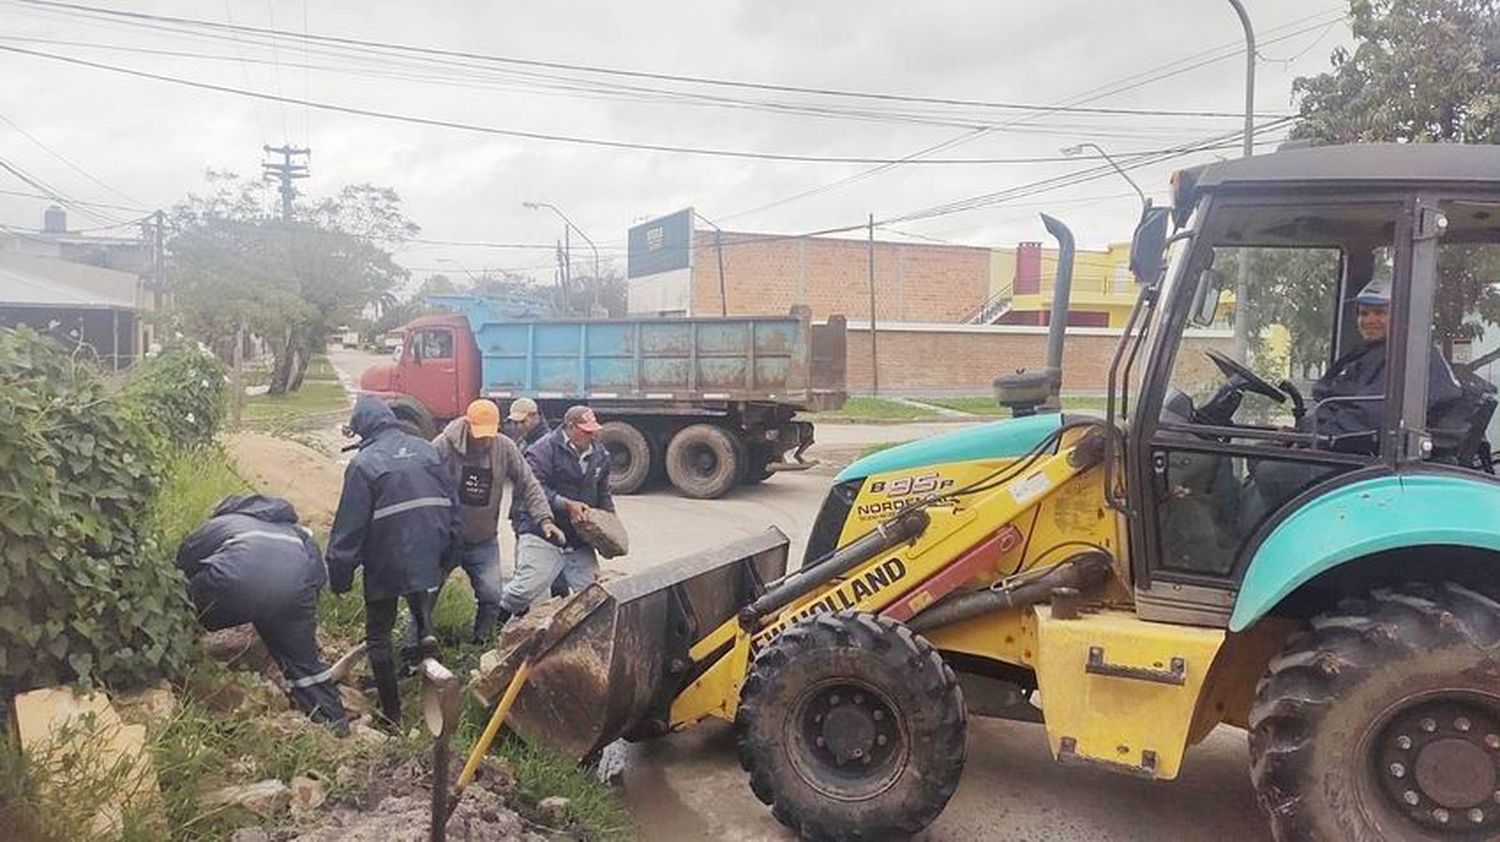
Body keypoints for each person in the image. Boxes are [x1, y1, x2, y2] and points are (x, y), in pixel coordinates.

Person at [327, 395, 461, 729]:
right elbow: (453, 506)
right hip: (429, 552)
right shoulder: (428, 450)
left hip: (386, 560)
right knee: (420, 606)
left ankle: (393, 716)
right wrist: (449, 555)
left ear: (362, 430)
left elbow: (349, 529)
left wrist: (340, 577)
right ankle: (427, 651)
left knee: (378, 635)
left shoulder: (363, 464)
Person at [177, 494, 349, 734]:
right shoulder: (300, 534)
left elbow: (183, 562)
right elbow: (317, 578)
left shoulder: (224, 523)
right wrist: (299, 624)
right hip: (291, 597)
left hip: (229, 588)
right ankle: (336, 726)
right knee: (305, 666)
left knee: (181, 612)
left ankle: (170, 669)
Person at [425, 399, 563, 645]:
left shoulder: (504, 447)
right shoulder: (442, 447)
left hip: (483, 542)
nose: (485, 441)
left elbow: (529, 483)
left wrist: (544, 519)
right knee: (425, 596)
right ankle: (415, 649)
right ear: (468, 425)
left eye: (489, 434)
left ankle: (481, 645)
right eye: (480, 435)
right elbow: (421, 483)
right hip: (445, 540)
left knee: (491, 596)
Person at [498, 405, 616, 622]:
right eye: (585, 430)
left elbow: (603, 492)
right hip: (541, 530)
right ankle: (491, 628)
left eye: (593, 430)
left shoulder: (600, 455)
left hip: (578, 537)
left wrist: (610, 525)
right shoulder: (543, 450)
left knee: (592, 596)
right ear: (570, 427)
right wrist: (565, 504)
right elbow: (532, 488)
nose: (591, 435)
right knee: (524, 589)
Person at [503, 398, 570, 598]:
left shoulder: (544, 445)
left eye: (522, 422)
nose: (517, 426)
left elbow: (538, 485)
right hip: (524, 511)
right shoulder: (524, 440)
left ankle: (556, 604)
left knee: (548, 563)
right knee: (533, 565)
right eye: (514, 423)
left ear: (535, 416)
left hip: (538, 512)